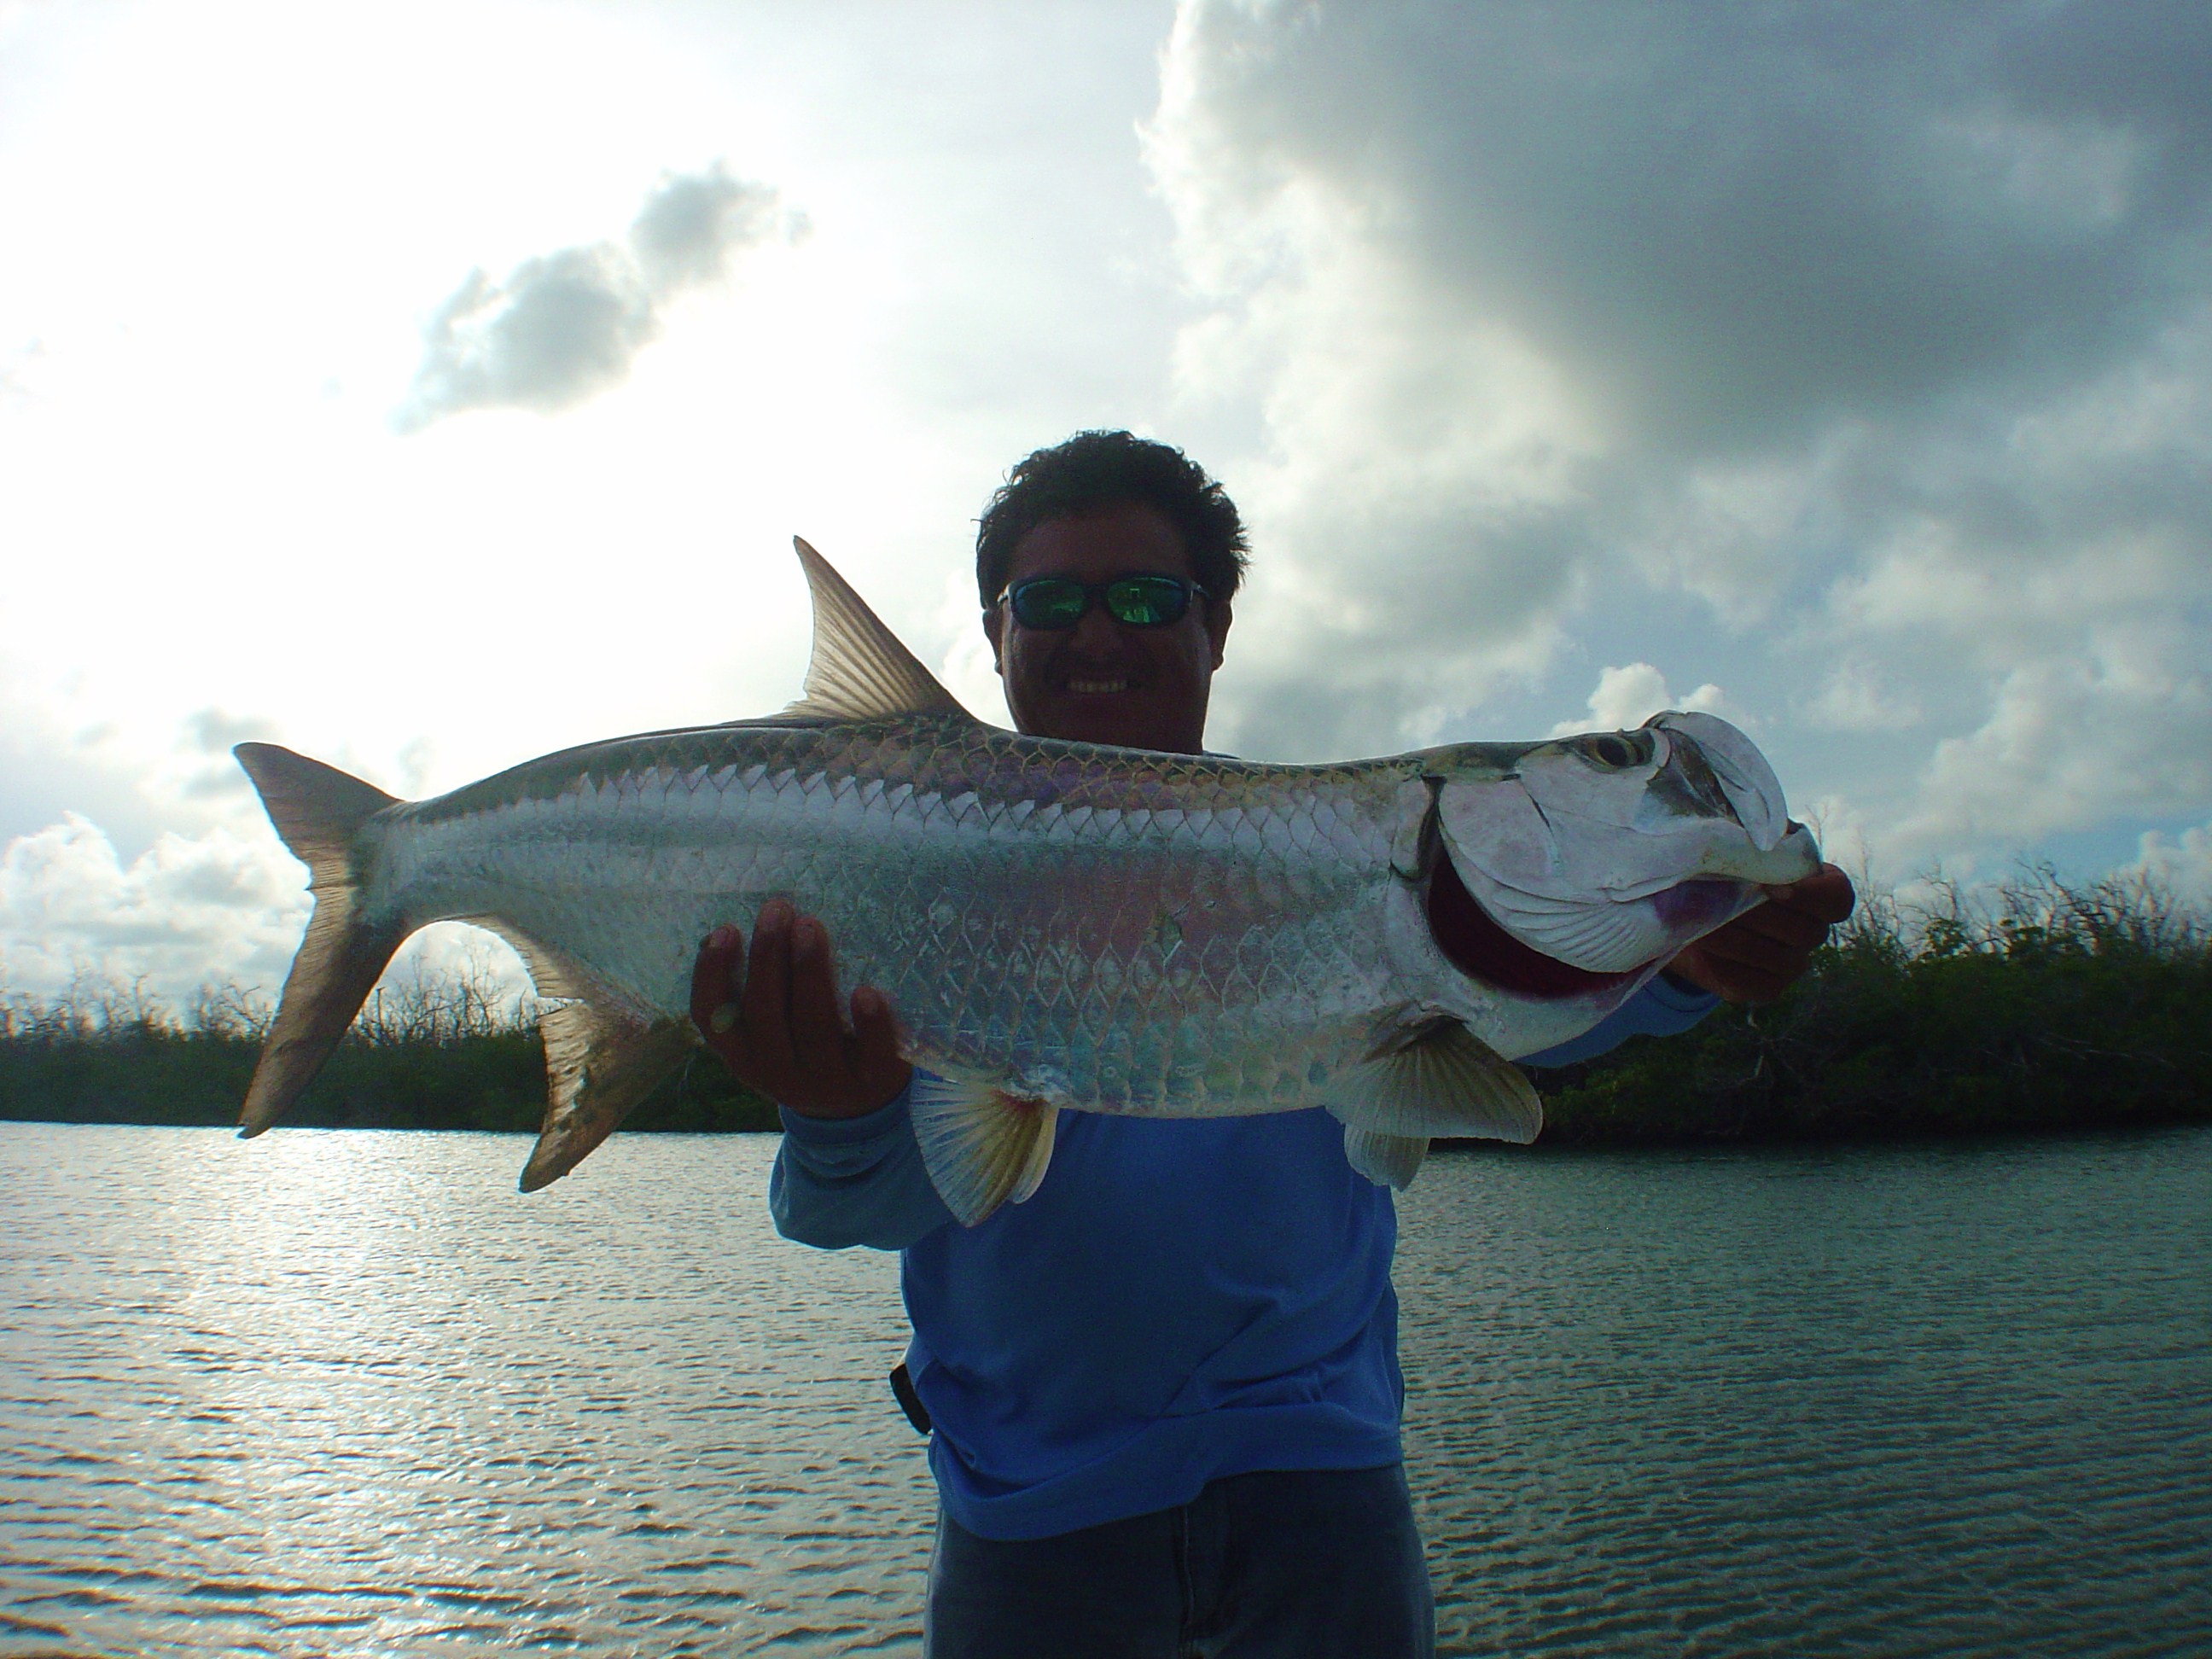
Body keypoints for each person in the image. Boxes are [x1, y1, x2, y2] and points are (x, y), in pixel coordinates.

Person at [688, 431, 1854, 1657]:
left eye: (1146, 599)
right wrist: (835, 1113)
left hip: (1321, 1499)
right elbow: (845, 1211)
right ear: (993, 632)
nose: (1099, 635)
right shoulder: (881, 873)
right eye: (1051, 602)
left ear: (1218, 625)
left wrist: (1689, 964)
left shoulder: (1342, 849)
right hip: (1031, 1528)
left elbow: (1530, 1022)